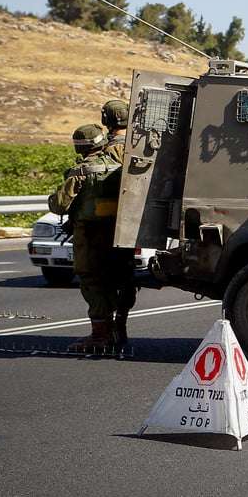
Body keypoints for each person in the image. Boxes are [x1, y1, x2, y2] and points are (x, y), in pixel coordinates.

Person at [48, 123, 131, 353]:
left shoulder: (81, 170)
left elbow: (59, 205)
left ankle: (100, 336)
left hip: (90, 236)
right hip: (118, 233)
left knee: (93, 281)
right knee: (121, 278)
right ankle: (119, 328)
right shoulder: (120, 167)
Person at [99, 98, 137, 346]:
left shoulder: (108, 149)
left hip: (108, 221)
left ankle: (107, 329)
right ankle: (120, 325)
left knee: (102, 277)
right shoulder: (139, 144)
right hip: (130, 221)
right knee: (126, 276)